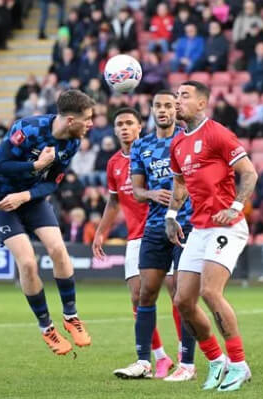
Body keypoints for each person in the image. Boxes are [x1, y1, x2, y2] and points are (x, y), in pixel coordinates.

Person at [0, 89, 94, 355]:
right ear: (70, 120)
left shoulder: (72, 143)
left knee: (58, 250)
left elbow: (53, 183)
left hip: (29, 196)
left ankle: (71, 316)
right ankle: (46, 328)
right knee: (27, 262)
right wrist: (36, 167)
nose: (91, 123)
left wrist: (26, 193)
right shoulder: (27, 128)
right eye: (87, 118)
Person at [166, 81, 258, 391]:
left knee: (210, 292)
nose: (178, 101)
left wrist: (235, 207)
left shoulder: (218, 133)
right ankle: (216, 361)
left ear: (202, 104)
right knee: (183, 301)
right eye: (176, 96)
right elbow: (180, 185)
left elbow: (250, 173)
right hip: (199, 226)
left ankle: (239, 364)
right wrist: (169, 215)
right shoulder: (177, 144)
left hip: (226, 225)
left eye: (185, 96)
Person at [107, 99, 197, 381]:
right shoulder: (142, 147)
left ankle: (187, 364)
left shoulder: (186, 140)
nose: (163, 110)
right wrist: (151, 194)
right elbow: (135, 190)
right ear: (152, 111)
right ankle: (143, 361)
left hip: (186, 227)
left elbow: (196, 179)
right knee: (145, 294)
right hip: (154, 229)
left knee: (183, 297)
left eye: (169, 105)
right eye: (158, 105)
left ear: (175, 110)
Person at [90, 107, 176, 379]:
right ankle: (159, 358)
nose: (125, 128)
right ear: (114, 129)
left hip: (163, 230)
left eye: (130, 123)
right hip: (136, 237)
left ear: (140, 127)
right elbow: (114, 201)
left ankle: (188, 357)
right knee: (138, 297)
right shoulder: (114, 162)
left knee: (178, 294)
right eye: (120, 124)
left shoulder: (153, 153)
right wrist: (101, 231)